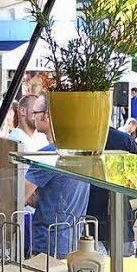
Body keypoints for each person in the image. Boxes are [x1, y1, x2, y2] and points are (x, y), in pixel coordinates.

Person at [24, 95, 90, 257]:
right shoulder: (80, 150)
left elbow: (18, 196)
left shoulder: (50, 154)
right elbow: (59, 196)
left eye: (35, 113)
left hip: (48, 243)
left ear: (47, 115)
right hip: (72, 241)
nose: (33, 117)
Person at [87, 126, 137, 255]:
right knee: (124, 271)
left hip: (90, 223)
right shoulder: (125, 140)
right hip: (120, 221)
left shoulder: (79, 141)